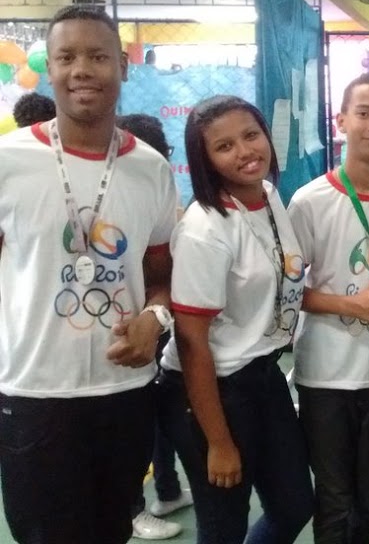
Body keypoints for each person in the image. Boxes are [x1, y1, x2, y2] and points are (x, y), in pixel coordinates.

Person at [0, 5, 178, 544]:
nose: (82, 70)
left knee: (111, 532)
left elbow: (161, 276)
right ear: (50, 67)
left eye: (97, 56)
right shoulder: (8, 160)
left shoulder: (151, 168)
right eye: (67, 57)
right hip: (34, 392)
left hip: (124, 391)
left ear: (122, 65)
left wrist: (156, 319)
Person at [158, 95, 314, 543]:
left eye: (251, 135)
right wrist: (219, 441)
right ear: (204, 159)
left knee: (294, 505)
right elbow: (191, 341)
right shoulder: (204, 229)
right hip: (210, 390)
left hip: (263, 375)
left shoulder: (268, 195)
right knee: (223, 525)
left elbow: (280, 284)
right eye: (224, 146)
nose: (245, 152)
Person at [287, 73, 369, 543]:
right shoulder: (309, 202)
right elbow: (285, 293)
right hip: (325, 376)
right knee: (335, 500)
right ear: (341, 121)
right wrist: (349, 304)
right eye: (363, 113)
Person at [115, 113, 193, 541]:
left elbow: (164, 266)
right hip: (124, 327)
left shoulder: (157, 185)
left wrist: (158, 312)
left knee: (156, 410)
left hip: (155, 318)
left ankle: (165, 488)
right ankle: (134, 507)